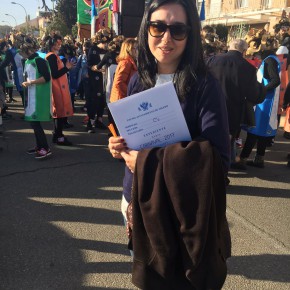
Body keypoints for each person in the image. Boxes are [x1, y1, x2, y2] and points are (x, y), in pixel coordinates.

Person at [108, 0, 231, 288]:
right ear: (145, 30)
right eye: (157, 27)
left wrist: (147, 161)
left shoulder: (204, 86)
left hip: (181, 210)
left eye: (178, 30)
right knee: (148, 272)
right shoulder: (139, 79)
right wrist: (119, 146)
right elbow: (135, 142)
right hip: (137, 199)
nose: (166, 38)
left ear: (190, 36)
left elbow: (218, 158)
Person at [208, 39, 265, 170]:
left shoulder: (211, 61)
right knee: (227, 142)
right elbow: (253, 95)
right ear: (244, 51)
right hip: (233, 111)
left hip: (209, 107)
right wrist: (263, 89)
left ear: (229, 47)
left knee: (209, 140)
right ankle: (222, 172)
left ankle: (212, 167)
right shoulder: (249, 68)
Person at [239, 47, 281, 168]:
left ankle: (242, 159)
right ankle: (259, 159)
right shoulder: (274, 60)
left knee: (254, 130)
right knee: (262, 132)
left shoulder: (269, 61)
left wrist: (262, 89)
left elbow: (275, 80)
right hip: (268, 100)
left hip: (264, 101)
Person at [18, 36, 52, 159]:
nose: (22, 56)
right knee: (33, 123)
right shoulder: (27, 61)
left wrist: (31, 82)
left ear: (29, 51)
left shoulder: (39, 60)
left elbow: (46, 77)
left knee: (36, 124)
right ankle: (39, 146)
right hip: (31, 96)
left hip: (38, 97)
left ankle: (45, 148)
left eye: (23, 53)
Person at [45, 34, 74, 146]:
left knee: (60, 114)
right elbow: (55, 74)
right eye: (57, 43)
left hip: (59, 88)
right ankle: (59, 136)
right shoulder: (51, 56)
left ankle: (57, 135)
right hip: (57, 89)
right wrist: (67, 67)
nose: (59, 45)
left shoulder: (54, 56)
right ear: (52, 44)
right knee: (59, 114)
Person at [109, 38, 138, 102]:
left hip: (122, 98)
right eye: (135, 48)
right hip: (121, 99)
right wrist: (129, 93)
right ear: (128, 50)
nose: (137, 50)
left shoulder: (129, 62)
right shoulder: (126, 63)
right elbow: (119, 83)